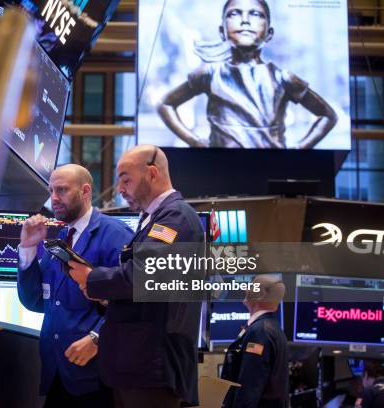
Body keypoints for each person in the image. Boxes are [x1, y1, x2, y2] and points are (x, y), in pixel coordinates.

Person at [69, 145, 205, 408]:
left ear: (152, 173)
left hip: (152, 367)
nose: (120, 189)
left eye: (125, 178)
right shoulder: (156, 218)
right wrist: (112, 298)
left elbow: (143, 274)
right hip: (141, 366)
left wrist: (92, 278)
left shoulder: (174, 217)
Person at [17, 164, 133, 408]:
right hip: (58, 371)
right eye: (51, 191)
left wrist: (97, 337)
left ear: (85, 191)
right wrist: (27, 249)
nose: (54, 199)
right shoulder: (58, 241)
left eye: (62, 190)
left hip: (96, 376)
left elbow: (131, 303)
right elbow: (35, 301)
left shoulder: (116, 236)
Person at [156, 0, 338, 149]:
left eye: (256, 14)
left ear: (269, 33)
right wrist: (194, 141)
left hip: (272, 171)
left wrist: (300, 149)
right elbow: (165, 103)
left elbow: (328, 115)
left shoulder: (283, 78)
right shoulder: (211, 74)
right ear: (222, 32)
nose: (245, 20)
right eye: (234, 13)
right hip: (219, 170)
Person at [221, 274, 289, 408]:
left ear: (259, 296)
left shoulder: (260, 332)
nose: (247, 289)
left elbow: (249, 385)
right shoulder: (273, 329)